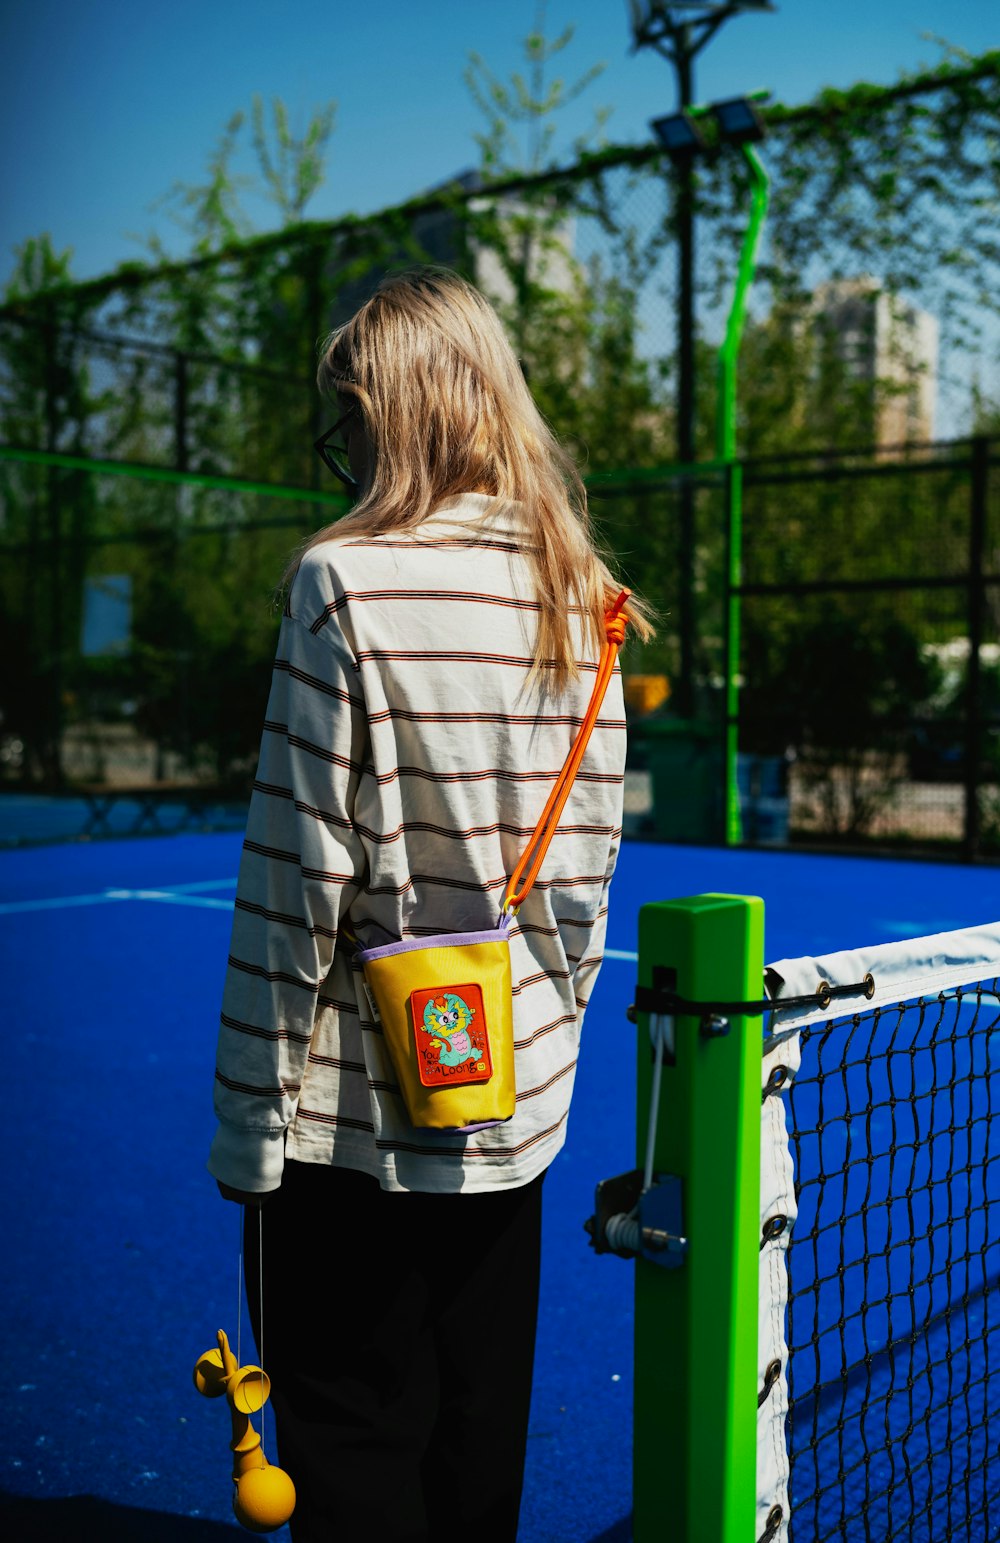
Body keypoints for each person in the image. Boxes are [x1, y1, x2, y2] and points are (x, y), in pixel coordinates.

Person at [207, 266, 655, 1543]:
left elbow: (293, 879)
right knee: (476, 1431)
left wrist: (249, 1120)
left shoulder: (340, 583)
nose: (342, 448)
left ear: (387, 416)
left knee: (349, 1433)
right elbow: (581, 893)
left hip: (343, 1109)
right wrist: (535, 1038)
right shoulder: (590, 596)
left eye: (346, 419)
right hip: (504, 1090)